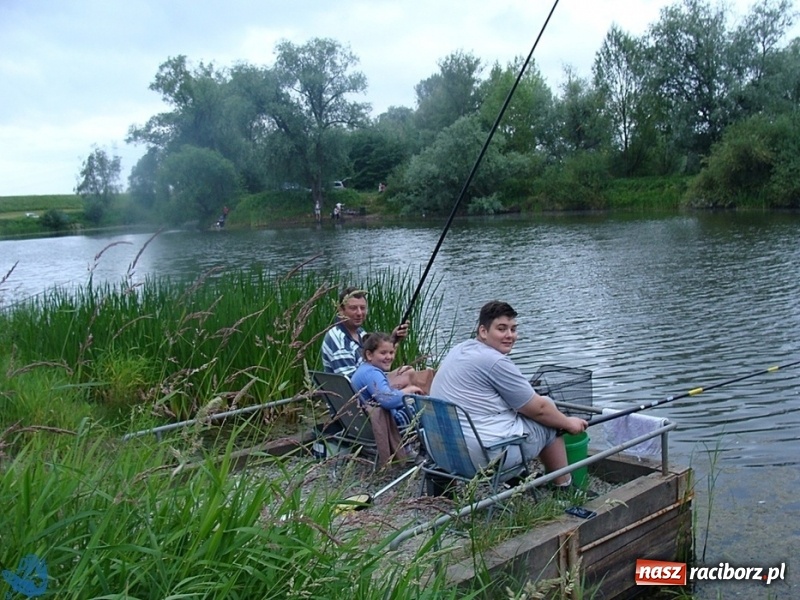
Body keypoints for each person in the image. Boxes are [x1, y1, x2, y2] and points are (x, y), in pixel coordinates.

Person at [429, 300, 588, 491]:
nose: (510, 336)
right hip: (480, 458)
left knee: (528, 411)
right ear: (483, 331)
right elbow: (539, 410)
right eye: (502, 329)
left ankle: (518, 477)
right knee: (551, 420)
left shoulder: (461, 349)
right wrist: (569, 423)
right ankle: (564, 488)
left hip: (442, 451)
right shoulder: (494, 361)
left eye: (513, 329)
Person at [321, 287, 415, 389]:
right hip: (358, 396)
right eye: (353, 308)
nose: (359, 313)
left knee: (408, 372)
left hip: (370, 383)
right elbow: (352, 383)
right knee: (410, 379)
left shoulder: (360, 332)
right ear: (341, 310)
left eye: (362, 308)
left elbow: (374, 359)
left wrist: (394, 339)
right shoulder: (338, 340)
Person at [350, 332, 424, 436]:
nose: (389, 357)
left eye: (391, 352)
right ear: (369, 355)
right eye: (383, 353)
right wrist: (409, 390)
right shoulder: (372, 373)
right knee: (421, 409)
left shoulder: (364, 369)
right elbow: (388, 400)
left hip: (366, 421)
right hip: (380, 424)